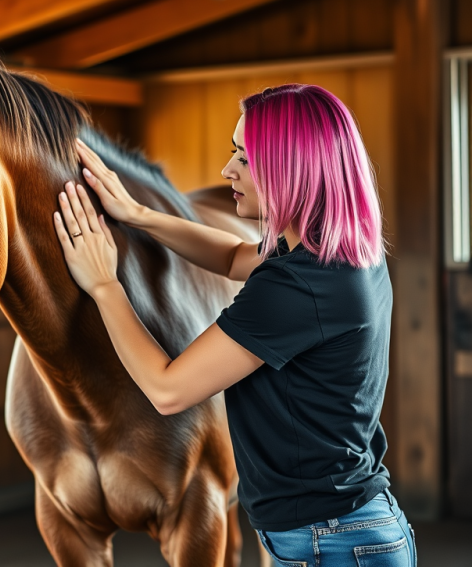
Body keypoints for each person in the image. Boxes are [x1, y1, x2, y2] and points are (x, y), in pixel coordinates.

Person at [52, 84, 417, 566]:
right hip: (345, 530)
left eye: (245, 158)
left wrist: (104, 285)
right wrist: (139, 215)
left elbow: (168, 390)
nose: (228, 170)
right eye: (233, 152)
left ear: (292, 169)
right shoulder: (338, 251)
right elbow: (231, 256)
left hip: (331, 543)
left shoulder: (298, 287)